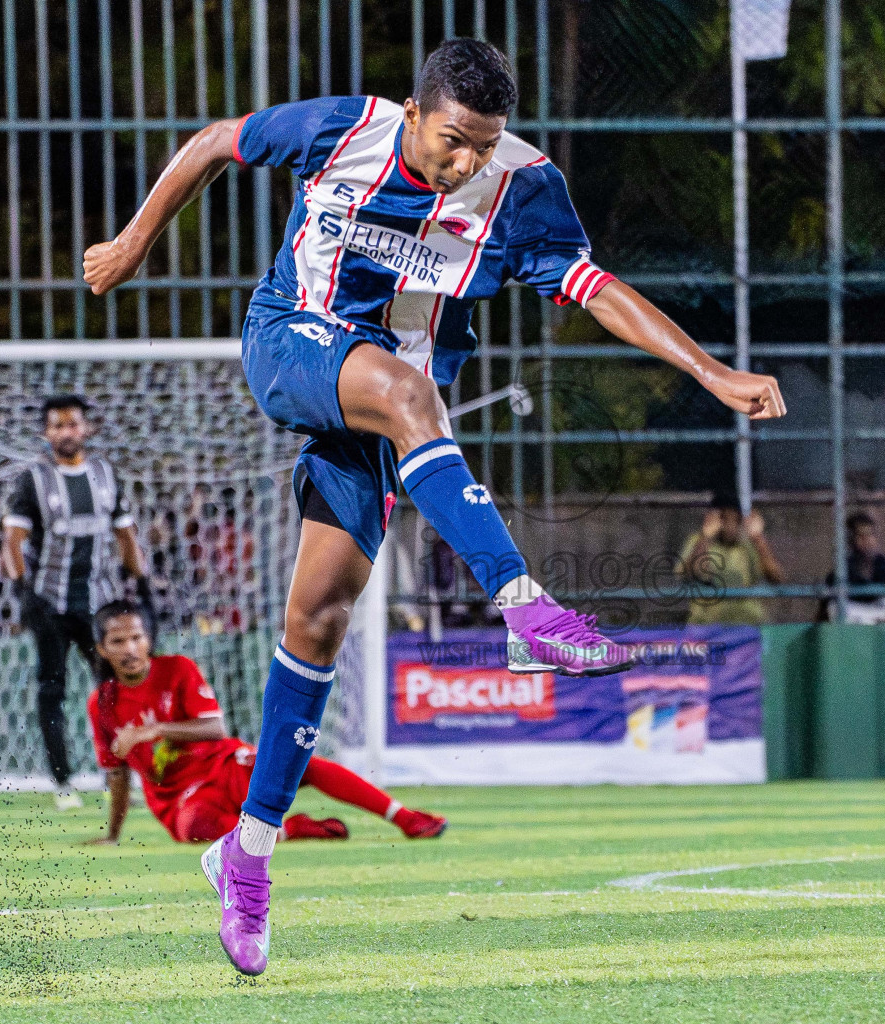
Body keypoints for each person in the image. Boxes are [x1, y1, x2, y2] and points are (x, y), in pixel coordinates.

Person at [82, 39, 785, 975]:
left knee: (320, 619)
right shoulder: (347, 131)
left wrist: (711, 371)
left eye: (484, 146)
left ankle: (245, 856)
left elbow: (595, 288)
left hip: (389, 404)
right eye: (454, 141)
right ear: (414, 113)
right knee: (417, 402)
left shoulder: (524, 186)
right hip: (294, 340)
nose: (467, 164)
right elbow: (214, 142)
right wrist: (135, 241)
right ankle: (525, 606)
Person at [85, 600, 446, 846]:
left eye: (137, 638)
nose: (130, 648)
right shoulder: (102, 704)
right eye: (118, 641)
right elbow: (117, 774)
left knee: (304, 764)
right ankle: (292, 829)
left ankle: (406, 818)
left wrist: (157, 730)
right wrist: (113, 833)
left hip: (224, 766)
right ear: (102, 650)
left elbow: (214, 729)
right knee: (196, 829)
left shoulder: (177, 669)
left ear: (148, 640)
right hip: (179, 797)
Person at [1, 394, 147, 812]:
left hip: (99, 605)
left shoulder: (104, 475)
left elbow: (125, 533)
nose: (66, 432)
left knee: (113, 691)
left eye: (73, 424)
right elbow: (12, 540)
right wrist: (22, 592)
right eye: (57, 425)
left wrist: (141, 583)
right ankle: (62, 782)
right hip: (50, 602)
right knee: (52, 689)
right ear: (46, 433)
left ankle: (116, 778)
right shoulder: (34, 479)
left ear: (86, 429)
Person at [679, 494, 785, 626]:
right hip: (707, 626)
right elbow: (693, 573)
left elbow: (777, 578)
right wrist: (705, 537)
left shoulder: (752, 544)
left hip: (748, 624)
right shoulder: (698, 540)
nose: (730, 525)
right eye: (724, 518)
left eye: (737, 518)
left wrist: (758, 538)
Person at [818, 511, 885, 625]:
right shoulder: (845, 563)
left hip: (874, 610)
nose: (866, 540)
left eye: (870, 534)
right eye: (860, 535)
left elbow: (880, 597)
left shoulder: (881, 562)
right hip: (851, 611)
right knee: (835, 608)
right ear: (851, 539)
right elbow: (833, 590)